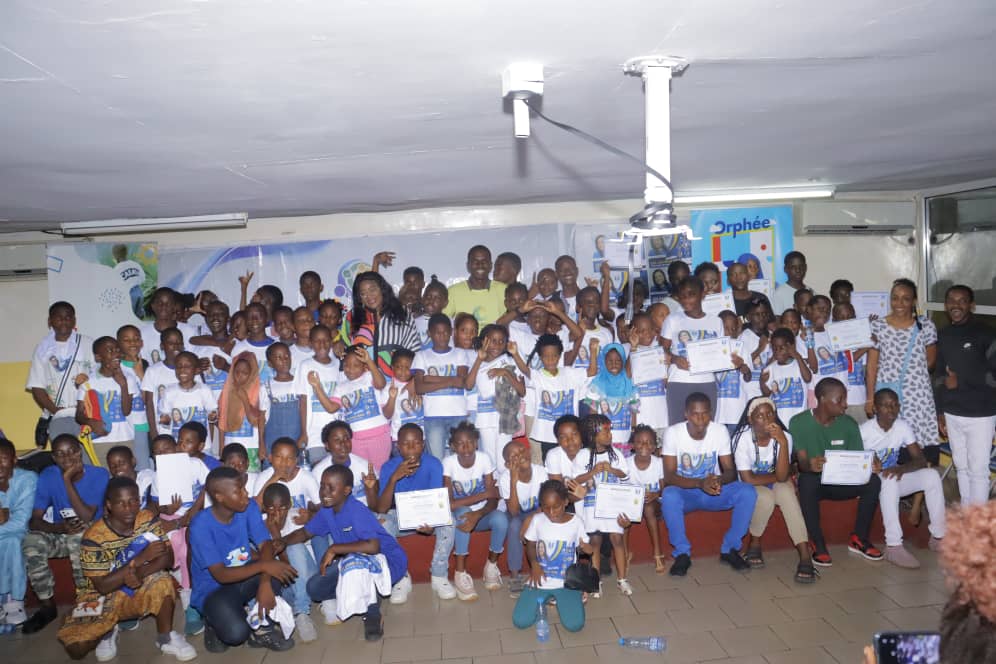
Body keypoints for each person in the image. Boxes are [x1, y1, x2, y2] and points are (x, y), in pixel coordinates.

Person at [57, 477, 196, 662]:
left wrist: (139, 573)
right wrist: (140, 559)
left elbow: (168, 559)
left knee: (162, 581)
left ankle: (166, 638)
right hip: (101, 596)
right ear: (109, 505)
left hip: (137, 586)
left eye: (133, 501)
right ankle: (106, 630)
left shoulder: (146, 519)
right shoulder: (94, 537)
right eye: (120, 503)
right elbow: (103, 586)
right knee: (77, 649)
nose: (129, 508)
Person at [292, 464, 408, 641]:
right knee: (314, 588)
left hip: (387, 561)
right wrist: (279, 542)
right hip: (353, 560)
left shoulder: (356, 510)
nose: (324, 492)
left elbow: (373, 547)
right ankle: (354, 590)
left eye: (331, 487)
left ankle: (372, 614)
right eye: (322, 486)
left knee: (358, 564)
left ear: (346, 490)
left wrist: (334, 548)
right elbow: (305, 533)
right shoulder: (327, 510)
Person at [189, 467, 297, 652]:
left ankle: (262, 629)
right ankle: (213, 622)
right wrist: (264, 566)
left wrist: (264, 583)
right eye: (238, 491)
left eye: (244, 488)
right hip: (213, 591)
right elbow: (221, 575)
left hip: (243, 578)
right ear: (219, 496)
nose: (246, 494)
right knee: (236, 634)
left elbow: (265, 545)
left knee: (275, 572)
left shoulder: (249, 507)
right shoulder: (200, 525)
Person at [864, 278, 940, 528]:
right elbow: (871, 365)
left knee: (923, 448)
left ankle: (917, 503)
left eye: (906, 298)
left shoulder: (926, 326)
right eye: (895, 298)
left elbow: (930, 362)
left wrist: (909, 376)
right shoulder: (878, 326)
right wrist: (870, 397)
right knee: (894, 446)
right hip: (888, 397)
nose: (899, 303)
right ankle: (893, 494)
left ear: (914, 301)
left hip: (918, 397)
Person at [790, 377, 883, 567]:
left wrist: (870, 463)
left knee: (874, 482)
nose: (845, 405)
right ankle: (817, 542)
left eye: (845, 399)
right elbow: (802, 463)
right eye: (839, 400)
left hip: (843, 481)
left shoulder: (848, 424)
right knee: (806, 481)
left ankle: (859, 538)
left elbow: (857, 460)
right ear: (822, 399)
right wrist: (810, 465)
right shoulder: (799, 422)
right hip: (818, 482)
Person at [22, 434, 111, 633]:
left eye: (72, 451)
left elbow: (86, 515)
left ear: (80, 452)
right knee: (31, 541)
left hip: (93, 537)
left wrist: (67, 480)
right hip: (61, 533)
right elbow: (35, 520)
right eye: (60, 454)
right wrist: (59, 528)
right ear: (54, 458)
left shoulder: (99, 474)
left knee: (78, 535)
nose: (67, 457)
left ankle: (86, 600)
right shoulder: (48, 475)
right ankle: (47, 606)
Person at [660, 393, 756, 576]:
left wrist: (717, 481)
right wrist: (699, 483)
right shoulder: (673, 433)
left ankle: (730, 549)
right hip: (686, 492)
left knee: (747, 492)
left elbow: (730, 471)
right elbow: (669, 476)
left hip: (713, 491)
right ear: (686, 414)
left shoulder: (719, 431)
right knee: (669, 495)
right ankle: (682, 553)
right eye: (695, 414)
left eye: (705, 413)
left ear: (710, 414)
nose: (700, 419)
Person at [731, 398, 814, 583]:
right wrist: (778, 476)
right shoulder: (742, 438)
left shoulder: (785, 437)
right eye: (760, 416)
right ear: (750, 419)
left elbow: (783, 477)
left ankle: (805, 553)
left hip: (772, 479)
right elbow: (748, 479)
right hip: (748, 486)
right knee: (766, 497)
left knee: (787, 493)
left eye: (770, 414)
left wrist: (783, 443)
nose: (766, 419)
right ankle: (754, 542)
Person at [860, 388, 945, 568]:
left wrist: (902, 468)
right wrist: (869, 463)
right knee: (889, 479)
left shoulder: (902, 427)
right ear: (875, 408)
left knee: (931, 476)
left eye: (895, 405)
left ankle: (938, 536)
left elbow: (920, 460)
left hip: (891, 478)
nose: (891, 409)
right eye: (885, 405)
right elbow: (853, 462)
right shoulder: (865, 431)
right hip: (870, 483)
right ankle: (893, 546)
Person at [376, 424, 456, 601]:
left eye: (416, 443)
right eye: (406, 444)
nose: (411, 448)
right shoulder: (389, 467)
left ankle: (439, 575)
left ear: (423, 444)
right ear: (398, 446)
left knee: (450, 521)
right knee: (382, 522)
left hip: (427, 516)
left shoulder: (433, 464)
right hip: (400, 517)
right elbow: (382, 508)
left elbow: (435, 502)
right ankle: (400, 576)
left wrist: (431, 525)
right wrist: (394, 478)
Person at [933, 284, 996, 506]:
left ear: (972, 305)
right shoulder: (942, 335)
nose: (956, 305)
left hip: (981, 413)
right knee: (961, 466)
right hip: (952, 412)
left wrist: (962, 381)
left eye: (962, 301)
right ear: (945, 305)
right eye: (951, 300)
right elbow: (938, 375)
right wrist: (940, 411)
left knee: (978, 470)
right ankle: (968, 516)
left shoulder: (986, 333)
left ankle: (975, 523)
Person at [511, 479, 593, 633]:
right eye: (545, 507)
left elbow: (585, 550)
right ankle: (546, 599)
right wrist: (534, 565)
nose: (551, 512)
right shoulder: (537, 520)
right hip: (540, 578)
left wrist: (586, 549)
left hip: (566, 582)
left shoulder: (576, 522)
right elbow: (530, 545)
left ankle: (567, 597)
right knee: (520, 621)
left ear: (566, 502)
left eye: (556, 507)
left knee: (574, 625)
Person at [443, 422, 508, 600]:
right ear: (453, 446)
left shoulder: (484, 459)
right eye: (460, 443)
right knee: (464, 513)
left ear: (476, 443)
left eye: (470, 442)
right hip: (460, 517)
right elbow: (450, 504)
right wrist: (483, 495)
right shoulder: (448, 463)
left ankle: (491, 567)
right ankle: (460, 573)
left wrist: (477, 514)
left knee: (501, 519)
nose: (466, 447)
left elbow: (493, 499)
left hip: (482, 515)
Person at [509, 334, 598, 459]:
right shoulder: (538, 376)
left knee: (574, 461)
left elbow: (592, 372)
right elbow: (525, 370)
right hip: (548, 434)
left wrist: (593, 351)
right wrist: (515, 353)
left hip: (570, 432)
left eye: (554, 356)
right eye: (546, 356)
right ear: (540, 357)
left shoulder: (570, 373)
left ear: (560, 356)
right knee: (550, 461)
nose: (550, 360)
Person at [27, 301, 96, 451]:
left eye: (68, 317)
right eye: (59, 317)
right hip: (58, 416)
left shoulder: (88, 344)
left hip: (86, 415)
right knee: (64, 457)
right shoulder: (42, 349)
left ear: (74, 320)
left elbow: (101, 377)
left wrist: (89, 381)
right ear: (50, 321)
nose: (64, 321)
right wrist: (56, 411)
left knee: (88, 456)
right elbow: (37, 386)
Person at [577, 414, 632, 595]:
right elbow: (576, 479)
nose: (610, 435)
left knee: (617, 539)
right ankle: (596, 581)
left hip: (613, 504)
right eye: (605, 431)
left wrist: (612, 470)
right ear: (592, 435)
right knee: (595, 541)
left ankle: (622, 579)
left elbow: (625, 475)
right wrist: (592, 472)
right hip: (592, 506)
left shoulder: (615, 454)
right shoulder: (583, 455)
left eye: (610, 431)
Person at [258, 482, 318, 641]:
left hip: (307, 579)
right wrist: (273, 532)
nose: (277, 514)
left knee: (294, 546)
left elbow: (291, 565)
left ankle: (302, 613)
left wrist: (277, 535)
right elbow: (279, 569)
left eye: (282, 508)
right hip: (286, 587)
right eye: (271, 509)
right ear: (264, 508)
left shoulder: (297, 517)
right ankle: (296, 609)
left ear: (290, 505)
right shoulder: (259, 526)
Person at [662, 276, 724, 422]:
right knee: (677, 427)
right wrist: (674, 359)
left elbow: (721, 353)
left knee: (705, 427)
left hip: (706, 381)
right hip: (679, 380)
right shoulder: (672, 319)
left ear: (702, 294)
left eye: (691, 294)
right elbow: (662, 350)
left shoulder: (716, 322)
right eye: (682, 296)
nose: (686, 299)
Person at [412, 314, 471, 459]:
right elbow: (419, 388)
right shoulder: (421, 356)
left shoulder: (460, 353)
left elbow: (461, 382)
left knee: (459, 458)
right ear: (429, 333)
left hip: (458, 414)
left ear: (451, 332)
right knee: (437, 459)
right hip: (433, 416)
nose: (442, 336)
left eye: (445, 332)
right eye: (437, 333)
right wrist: (450, 381)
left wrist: (430, 379)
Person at [465, 324, 525, 464]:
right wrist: (479, 359)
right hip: (485, 417)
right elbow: (468, 385)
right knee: (489, 457)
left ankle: (505, 478)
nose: (497, 345)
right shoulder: (476, 361)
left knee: (505, 457)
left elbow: (522, 391)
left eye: (501, 341)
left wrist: (505, 372)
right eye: (493, 340)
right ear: (484, 341)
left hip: (505, 417)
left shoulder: (509, 361)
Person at [75, 337, 140, 466]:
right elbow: (79, 415)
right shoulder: (89, 382)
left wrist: (123, 385)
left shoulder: (128, 379)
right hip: (100, 439)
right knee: (104, 474)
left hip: (125, 437)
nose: (116, 353)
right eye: (110, 350)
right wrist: (91, 422)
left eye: (117, 350)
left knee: (125, 474)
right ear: (98, 357)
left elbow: (126, 411)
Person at [344, 271, 421, 378]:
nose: (369, 296)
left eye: (372, 290)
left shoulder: (402, 313)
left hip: (397, 381)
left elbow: (415, 351)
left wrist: (412, 382)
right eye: (363, 293)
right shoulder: (352, 317)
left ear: (382, 289)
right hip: (363, 383)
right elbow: (345, 352)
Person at [497, 440, 548, 597]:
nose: (520, 456)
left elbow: (547, 503)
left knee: (546, 522)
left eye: (521, 450)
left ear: (528, 451)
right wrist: (513, 481)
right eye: (514, 456)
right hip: (515, 514)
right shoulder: (505, 478)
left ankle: (547, 569)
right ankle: (515, 575)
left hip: (539, 511)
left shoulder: (541, 472)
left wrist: (531, 518)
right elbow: (513, 511)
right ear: (508, 465)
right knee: (514, 525)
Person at [0, 438, 37, 630]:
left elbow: (21, 522)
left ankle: (14, 600)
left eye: (3, 458)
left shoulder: (27, 479)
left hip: (23, 532)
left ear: (14, 460)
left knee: (13, 541)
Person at [296, 325, 341, 465]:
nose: (322, 344)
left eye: (326, 340)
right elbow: (303, 401)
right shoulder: (305, 365)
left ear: (331, 341)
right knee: (318, 468)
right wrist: (304, 432)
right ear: (310, 343)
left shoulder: (339, 364)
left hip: (337, 431)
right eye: (317, 341)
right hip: (314, 433)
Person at [583, 344, 639, 454]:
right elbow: (593, 413)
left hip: (624, 438)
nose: (614, 364)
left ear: (623, 361)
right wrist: (594, 435)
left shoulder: (629, 384)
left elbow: (633, 410)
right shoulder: (597, 384)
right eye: (610, 361)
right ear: (604, 362)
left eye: (618, 360)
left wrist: (633, 431)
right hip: (603, 439)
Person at [626, 426, 666, 574]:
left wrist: (656, 494)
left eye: (649, 442)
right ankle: (625, 552)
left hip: (655, 503)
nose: (644, 445)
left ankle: (657, 552)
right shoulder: (626, 464)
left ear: (654, 447)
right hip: (632, 503)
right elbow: (622, 489)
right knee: (625, 510)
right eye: (640, 442)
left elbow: (665, 488)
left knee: (648, 508)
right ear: (632, 445)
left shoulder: (659, 463)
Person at [311, 421, 379, 508]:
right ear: (327, 445)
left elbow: (374, 507)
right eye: (337, 440)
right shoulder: (318, 472)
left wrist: (370, 489)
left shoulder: (365, 467)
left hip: (362, 512)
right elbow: (319, 506)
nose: (343, 443)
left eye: (346, 438)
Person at [158, 351, 218, 443]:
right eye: (179, 366)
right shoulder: (169, 392)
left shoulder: (204, 390)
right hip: (178, 444)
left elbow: (213, 413)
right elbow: (165, 420)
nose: (182, 369)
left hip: (201, 445)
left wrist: (212, 416)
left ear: (196, 370)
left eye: (187, 366)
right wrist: (165, 420)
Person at [218, 354, 264, 470]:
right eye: (237, 372)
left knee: (250, 476)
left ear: (252, 373)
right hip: (231, 442)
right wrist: (221, 447)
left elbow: (255, 421)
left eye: (245, 373)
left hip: (251, 444)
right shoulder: (227, 391)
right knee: (230, 476)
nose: (240, 376)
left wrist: (244, 399)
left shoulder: (259, 391)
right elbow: (222, 421)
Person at [627, 312, 669, 440]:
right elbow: (627, 375)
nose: (647, 334)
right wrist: (633, 347)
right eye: (642, 331)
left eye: (650, 329)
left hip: (661, 414)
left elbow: (666, 383)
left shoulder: (659, 350)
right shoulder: (632, 351)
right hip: (642, 415)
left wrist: (667, 364)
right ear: (633, 332)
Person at [441, 246, 506, 325]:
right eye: (475, 262)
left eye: (484, 261)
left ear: (491, 265)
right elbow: (442, 322)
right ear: (468, 266)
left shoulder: (504, 290)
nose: (480, 265)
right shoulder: (453, 291)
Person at [761, 327, 813, 423]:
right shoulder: (770, 368)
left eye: (782, 348)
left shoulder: (799, 364)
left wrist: (797, 356)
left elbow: (807, 378)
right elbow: (766, 393)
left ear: (791, 347)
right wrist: (762, 382)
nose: (778, 351)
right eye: (775, 348)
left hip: (799, 419)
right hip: (779, 421)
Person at [259, 342, 300, 464]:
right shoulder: (266, 387)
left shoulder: (300, 383)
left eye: (287, 356)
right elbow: (261, 418)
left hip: (296, 439)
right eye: (279, 358)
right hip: (272, 440)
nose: (284, 360)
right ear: (270, 364)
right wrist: (261, 444)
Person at [139, 289, 198, 364]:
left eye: (168, 303)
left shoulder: (190, 331)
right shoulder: (142, 334)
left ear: (174, 306)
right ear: (153, 306)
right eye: (160, 303)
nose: (164, 306)